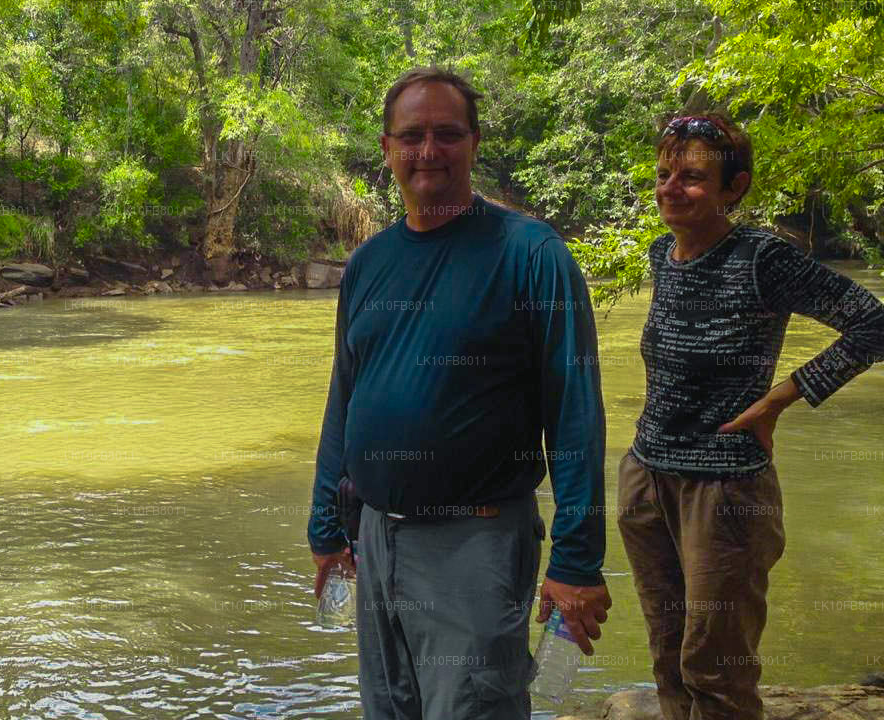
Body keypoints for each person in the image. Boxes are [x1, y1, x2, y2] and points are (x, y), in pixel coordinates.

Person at [306, 66, 612, 719]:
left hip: (477, 543)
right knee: (389, 709)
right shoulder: (368, 264)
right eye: (411, 136)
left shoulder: (530, 254)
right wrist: (326, 526)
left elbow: (576, 414)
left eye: (447, 134)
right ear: (387, 148)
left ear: (474, 143)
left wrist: (578, 560)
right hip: (375, 538)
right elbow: (345, 398)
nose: (429, 150)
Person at [617, 113, 884, 720]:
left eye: (691, 177)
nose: (669, 188)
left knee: (715, 666)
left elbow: (874, 324)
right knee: (667, 654)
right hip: (647, 478)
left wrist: (779, 399)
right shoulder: (663, 254)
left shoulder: (763, 257)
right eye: (663, 174)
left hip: (725, 490)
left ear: (733, 188)